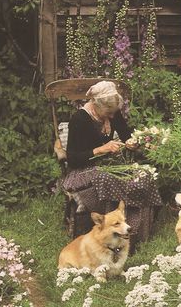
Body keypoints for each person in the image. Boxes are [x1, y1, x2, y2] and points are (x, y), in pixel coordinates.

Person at [62, 80, 162, 251]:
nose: (110, 116)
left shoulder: (113, 113)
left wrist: (131, 143)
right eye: (107, 112)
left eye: (113, 112)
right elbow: (72, 158)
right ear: (95, 104)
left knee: (142, 175)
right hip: (83, 170)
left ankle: (138, 232)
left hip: (110, 164)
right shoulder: (79, 119)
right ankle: (112, 232)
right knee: (108, 179)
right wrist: (100, 150)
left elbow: (126, 135)